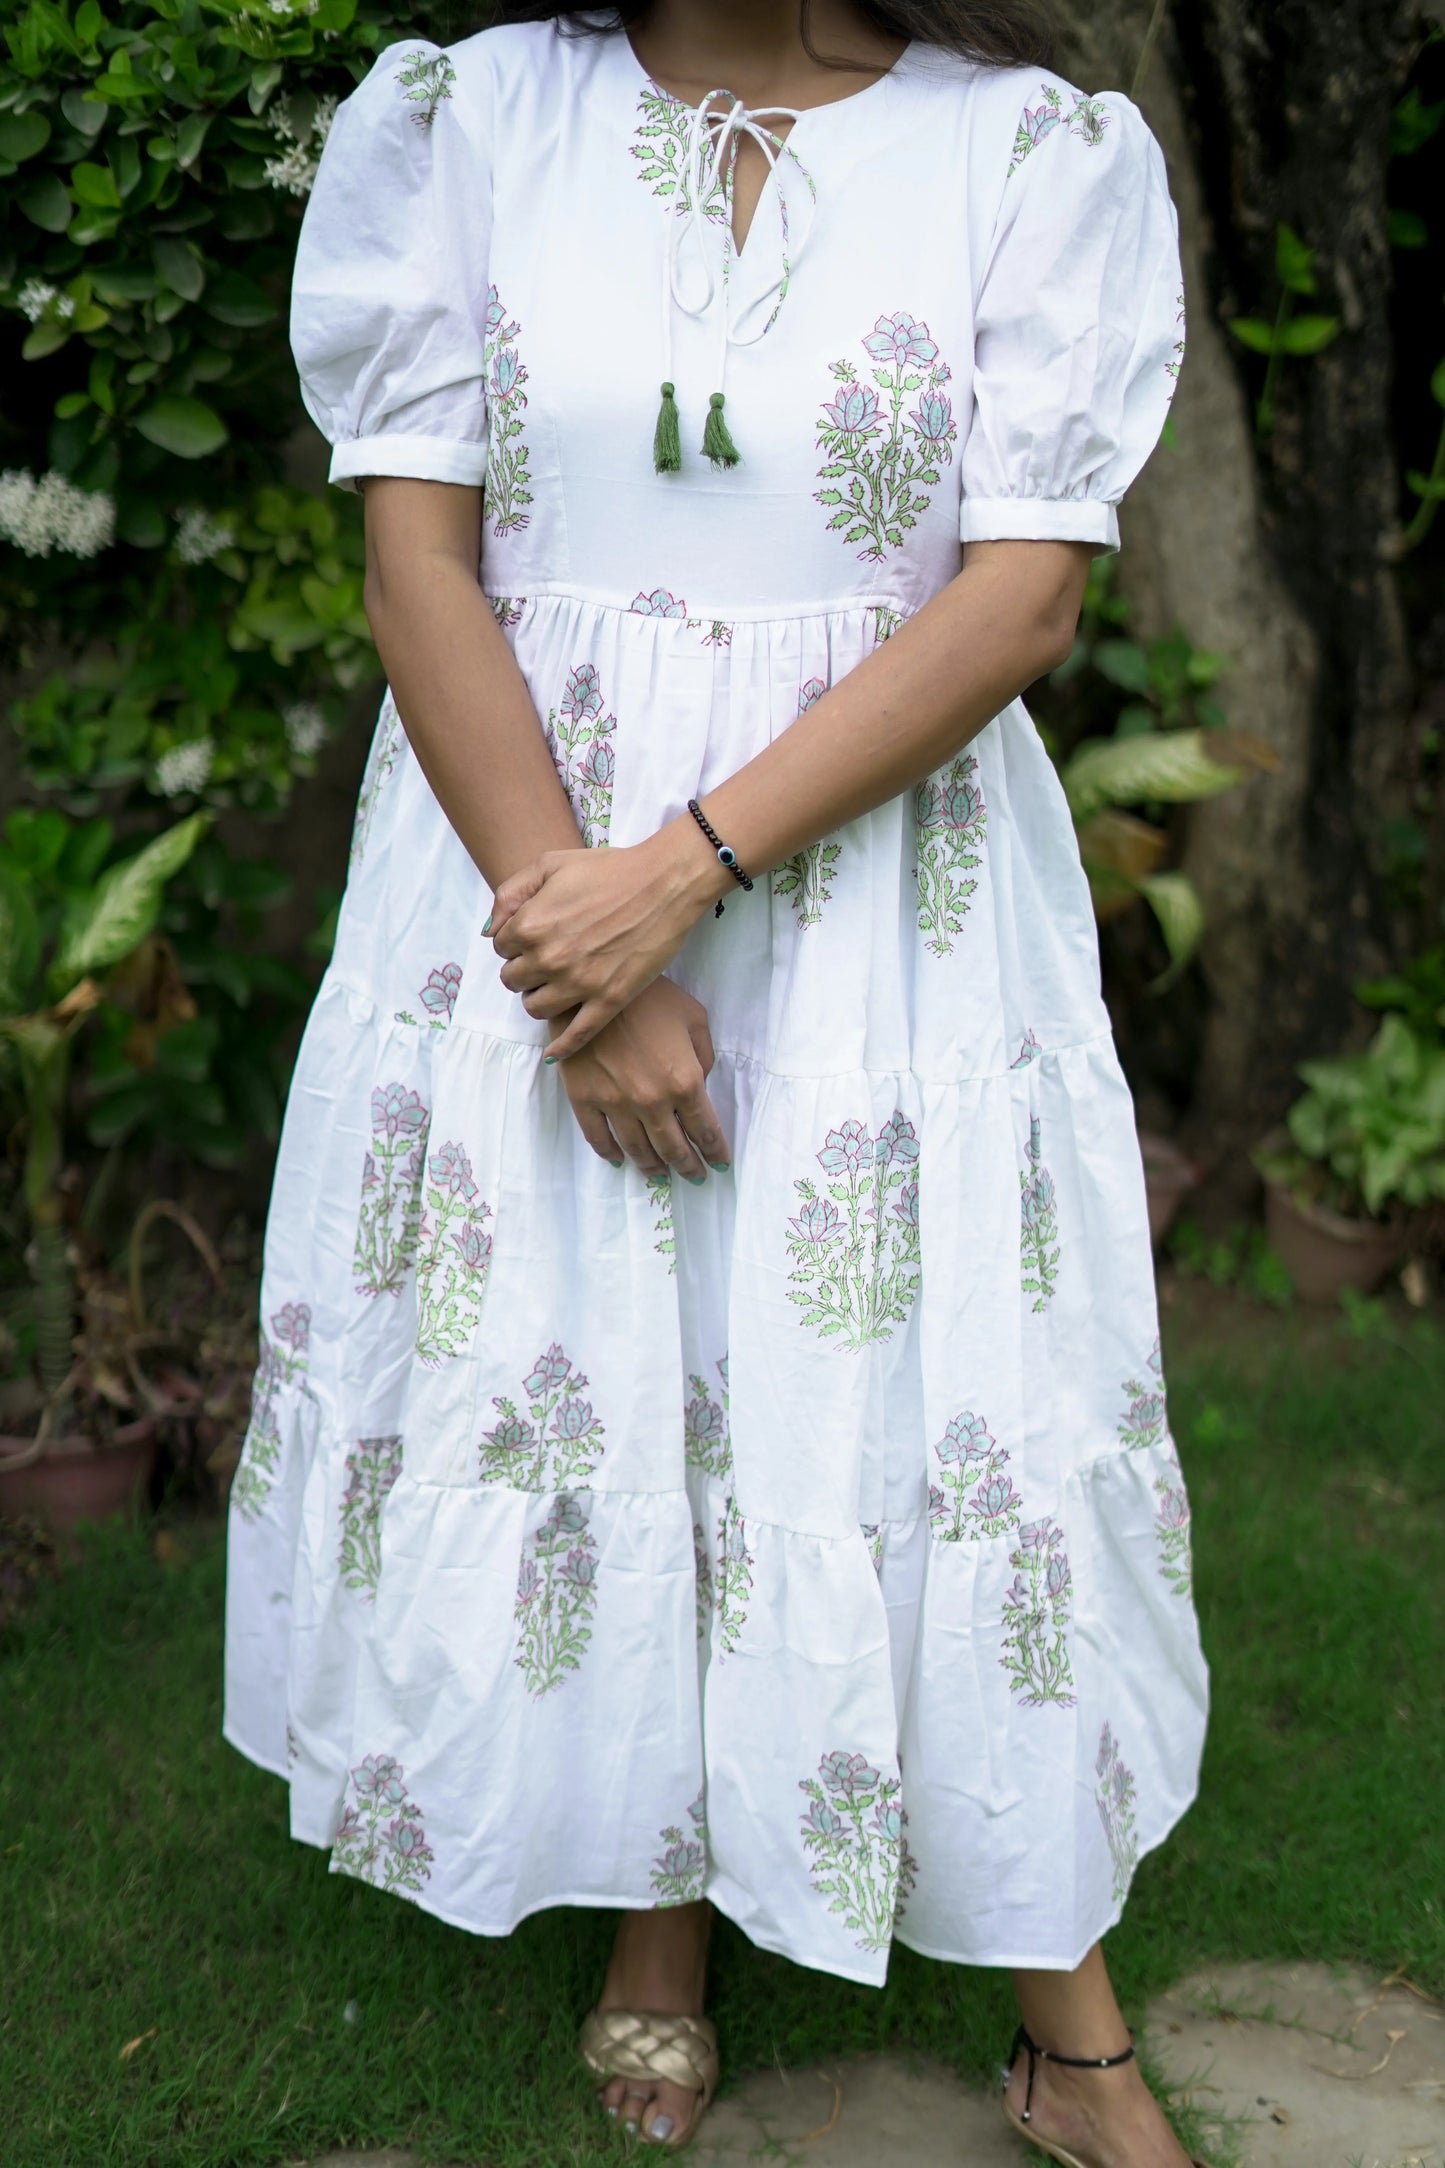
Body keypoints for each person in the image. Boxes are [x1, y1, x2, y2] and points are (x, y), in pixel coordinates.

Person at [223, 3, 1211, 2160]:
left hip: (883, 908)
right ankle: (654, 1910)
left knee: (926, 1404)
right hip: (524, 858)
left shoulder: (1027, 150)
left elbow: (1022, 596)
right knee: (614, 1355)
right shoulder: (472, 111)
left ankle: (1071, 2024)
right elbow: (418, 561)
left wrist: (685, 875)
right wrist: (575, 947)